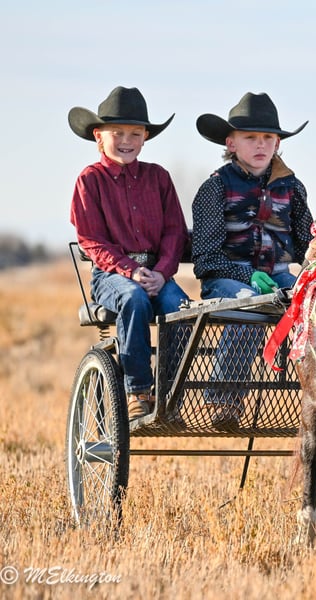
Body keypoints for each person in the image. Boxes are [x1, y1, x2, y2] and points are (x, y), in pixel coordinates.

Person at [192, 92, 313, 428]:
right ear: (231, 143)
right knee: (250, 304)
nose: (261, 144)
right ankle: (223, 401)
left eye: (268, 138)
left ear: (277, 143)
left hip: (280, 275)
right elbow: (205, 260)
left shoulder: (292, 188)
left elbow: (307, 246)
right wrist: (248, 277)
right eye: (250, 138)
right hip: (226, 280)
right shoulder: (214, 188)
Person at [69, 86, 189, 421]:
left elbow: (175, 232)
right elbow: (91, 239)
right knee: (134, 299)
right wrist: (130, 270)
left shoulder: (158, 177)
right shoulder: (90, 181)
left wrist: (162, 272)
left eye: (135, 133)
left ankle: (169, 392)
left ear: (145, 137)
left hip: (156, 273)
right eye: (117, 133)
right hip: (111, 276)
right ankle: (137, 390)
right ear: (99, 136)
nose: (126, 140)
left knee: (181, 309)